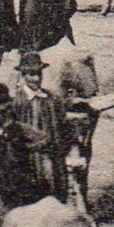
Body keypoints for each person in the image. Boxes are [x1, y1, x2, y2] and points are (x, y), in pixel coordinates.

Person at [12, 52, 72, 207]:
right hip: (28, 162)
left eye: (38, 74)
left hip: (53, 160)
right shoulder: (17, 102)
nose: (36, 79)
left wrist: (62, 151)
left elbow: (64, 127)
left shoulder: (52, 99)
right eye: (31, 75)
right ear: (23, 75)